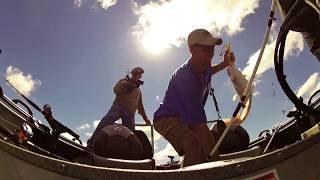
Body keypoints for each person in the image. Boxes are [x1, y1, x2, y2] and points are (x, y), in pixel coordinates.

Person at [153, 29, 235, 167]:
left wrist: (224, 64)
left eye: (212, 47)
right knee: (193, 144)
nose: (211, 51)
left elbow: (210, 71)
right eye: (205, 47)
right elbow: (199, 127)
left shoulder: (205, 65)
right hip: (166, 118)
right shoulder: (184, 79)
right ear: (191, 49)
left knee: (201, 148)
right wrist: (218, 165)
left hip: (184, 117)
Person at [87, 67, 151, 149]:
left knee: (130, 133)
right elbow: (115, 90)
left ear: (140, 76)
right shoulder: (124, 81)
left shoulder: (138, 91)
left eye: (138, 74)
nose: (136, 76)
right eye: (134, 73)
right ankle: (92, 143)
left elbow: (140, 106)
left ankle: (131, 152)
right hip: (118, 106)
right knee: (107, 119)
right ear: (132, 74)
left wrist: (145, 119)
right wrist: (125, 85)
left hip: (130, 113)